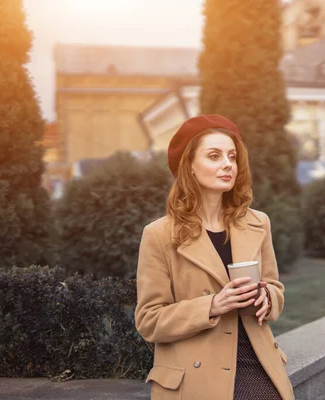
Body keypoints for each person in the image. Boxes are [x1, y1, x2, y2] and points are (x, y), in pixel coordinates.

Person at [135, 114, 293, 400]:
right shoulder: (159, 234)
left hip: (259, 365)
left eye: (232, 156)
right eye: (214, 156)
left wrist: (266, 297)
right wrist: (212, 305)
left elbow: (276, 291)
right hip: (197, 375)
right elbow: (149, 320)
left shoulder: (258, 223)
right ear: (190, 167)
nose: (227, 164)